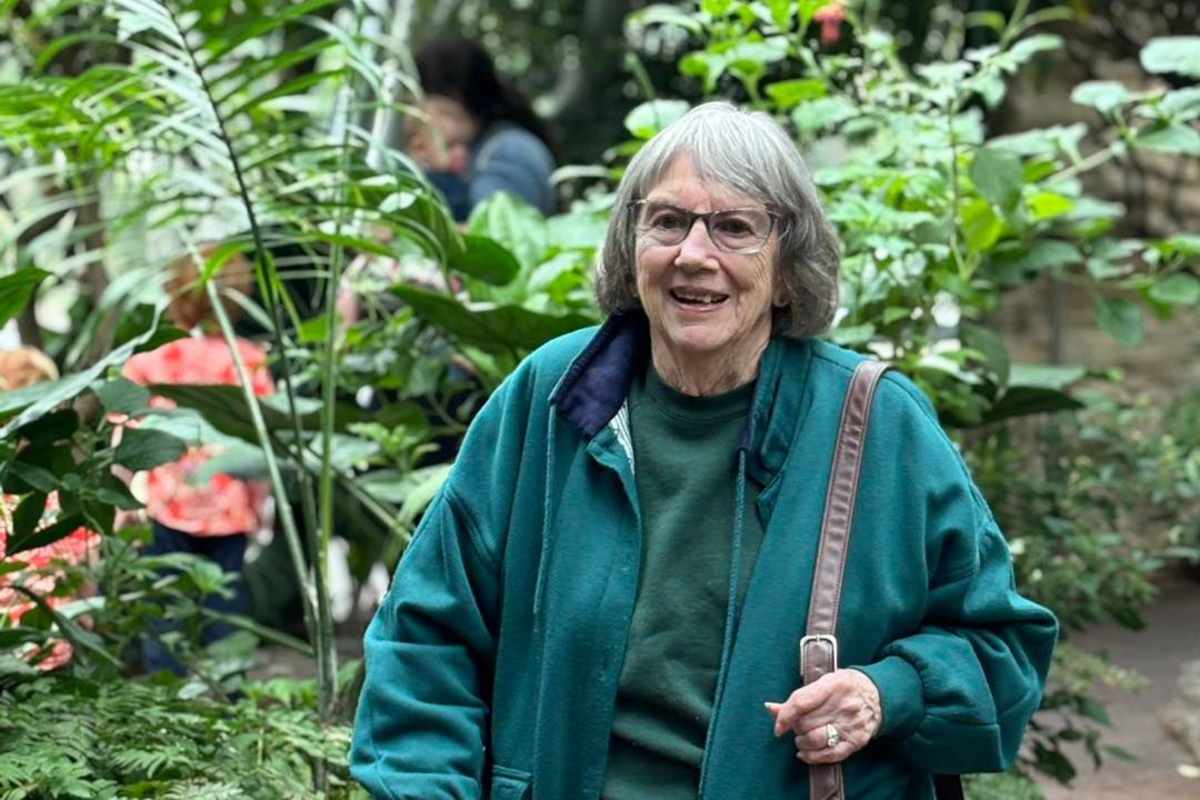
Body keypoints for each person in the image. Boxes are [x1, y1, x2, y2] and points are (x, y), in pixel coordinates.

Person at [350, 102, 1057, 799]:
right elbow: (424, 636)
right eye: (667, 221)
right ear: (631, 246)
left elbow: (1003, 653)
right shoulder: (553, 398)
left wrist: (887, 693)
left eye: (734, 228)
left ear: (787, 269)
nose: (693, 255)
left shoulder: (877, 426)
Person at [121, 250, 274, 673]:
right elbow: (262, 445)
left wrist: (124, 498)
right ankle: (232, 693)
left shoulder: (152, 357)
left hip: (164, 503)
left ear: (177, 290)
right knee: (225, 609)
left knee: (164, 608)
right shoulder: (248, 360)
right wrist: (262, 506)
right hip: (230, 506)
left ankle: (167, 698)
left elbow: (126, 430)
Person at [408, 35, 556, 221]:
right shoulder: (475, 151)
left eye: (440, 112)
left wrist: (440, 175)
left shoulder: (510, 150)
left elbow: (493, 230)